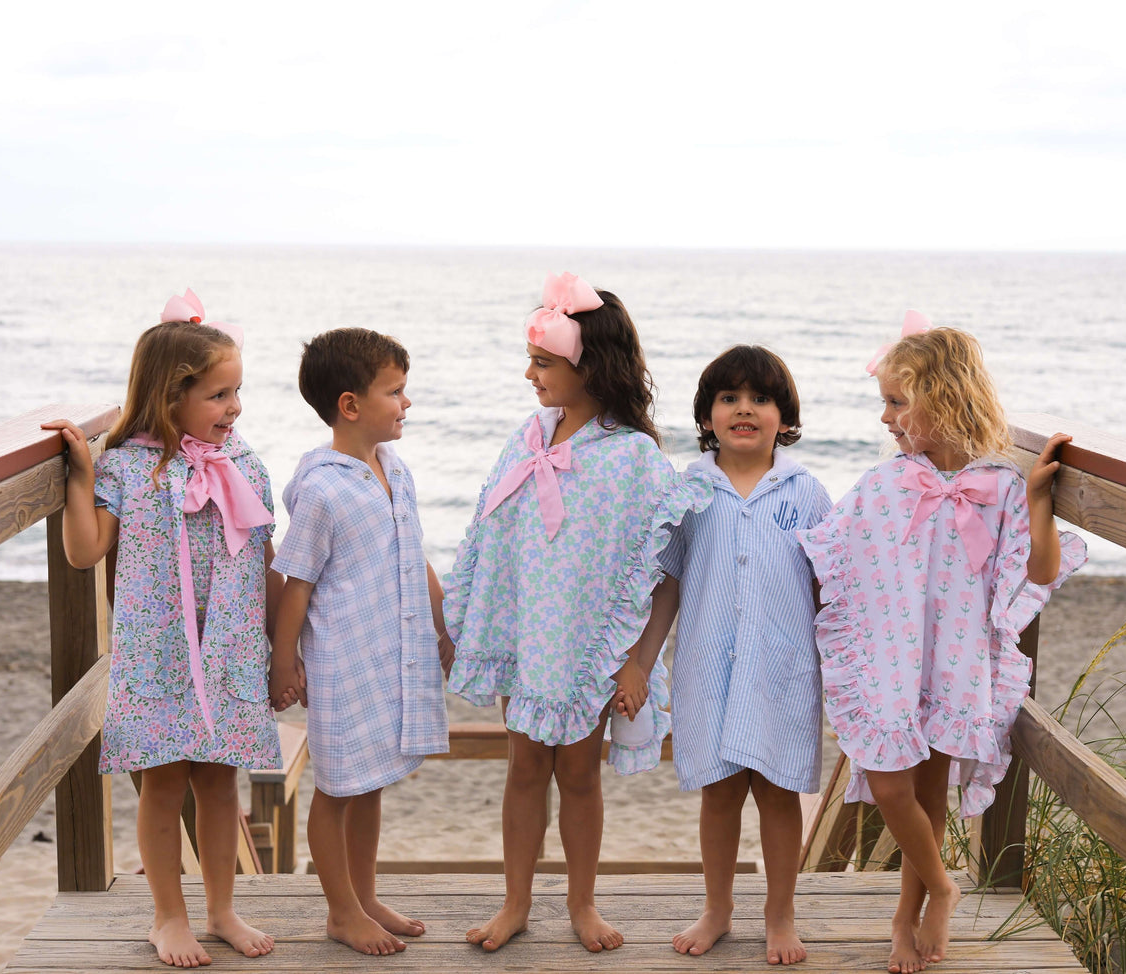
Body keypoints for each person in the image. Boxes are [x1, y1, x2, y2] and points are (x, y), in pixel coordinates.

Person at [798, 313, 1086, 973]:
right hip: (892, 664)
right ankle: (944, 885)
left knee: (929, 796)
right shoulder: (885, 484)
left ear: (944, 398)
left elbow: (1038, 571)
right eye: (885, 403)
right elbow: (830, 556)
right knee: (888, 782)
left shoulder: (1001, 487)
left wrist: (1039, 500)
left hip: (955, 663)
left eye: (897, 403)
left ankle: (908, 918)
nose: (886, 418)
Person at [442, 272, 702, 953]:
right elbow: (496, 540)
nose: (529, 374)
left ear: (589, 366)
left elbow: (658, 572)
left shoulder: (633, 460)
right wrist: (478, 624)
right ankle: (516, 903)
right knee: (523, 768)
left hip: (587, 650)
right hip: (530, 639)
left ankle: (582, 903)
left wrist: (636, 661)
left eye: (542, 362)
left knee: (580, 776)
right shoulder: (527, 438)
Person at [41, 289, 283, 969]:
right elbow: (86, 552)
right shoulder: (128, 468)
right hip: (159, 656)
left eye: (236, 392)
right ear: (169, 395)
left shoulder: (243, 463)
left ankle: (222, 910)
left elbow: (262, 558)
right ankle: (167, 918)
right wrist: (81, 478)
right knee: (163, 784)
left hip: (228, 650)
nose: (234, 407)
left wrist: (277, 647)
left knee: (219, 784)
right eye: (218, 395)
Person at [628, 345, 830, 965]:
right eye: (729, 398)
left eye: (761, 398)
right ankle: (717, 907)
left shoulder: (807, 493)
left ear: (784, 416)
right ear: (708, 414)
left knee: (776, 791)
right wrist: (639, 661)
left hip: (783, 668)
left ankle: (780, 913)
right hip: (708, 667)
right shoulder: (689, 491)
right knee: (718, 791)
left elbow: (830, 591)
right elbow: (666, 584)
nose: (745, 409)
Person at [268, 327, 451, 955]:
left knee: (369, 780)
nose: (406, 404)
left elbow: (413, 552)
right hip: (343, 657)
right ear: (351, 405)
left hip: (389, 653)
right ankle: (340, 911)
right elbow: (296, 582)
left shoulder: (394, 469)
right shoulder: (321, 490)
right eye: (395, 392)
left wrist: (442, 621)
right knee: (337, 786)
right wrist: (283, 660)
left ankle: (366, 895)